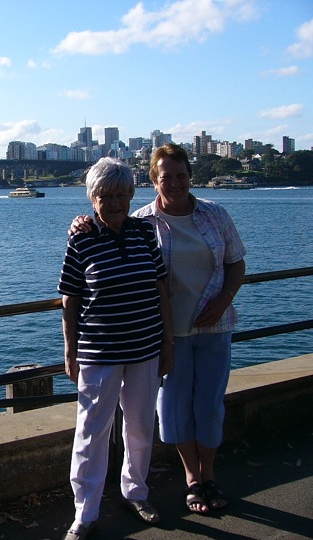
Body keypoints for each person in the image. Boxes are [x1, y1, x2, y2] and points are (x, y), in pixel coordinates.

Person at [69, 143, 246, 516]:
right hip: (138, 341)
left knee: (193, 410)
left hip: (191, 333)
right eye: (166, 176)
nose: (175, 182)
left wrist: (223, 300)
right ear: (154, 181)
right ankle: (93, 508)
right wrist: (69, 352)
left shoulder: (206, 217)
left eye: (181, 175)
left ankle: (188, 479)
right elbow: (73, 295)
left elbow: (231, 265)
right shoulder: (131, 225)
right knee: (157, 412)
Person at [59, 157, 173, 540]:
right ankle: (85, 512)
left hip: (145, 346)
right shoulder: (81, 237)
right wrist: (70, 351)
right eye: (107, 195)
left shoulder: (144, 232)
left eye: (123, 194)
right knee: (91, 432)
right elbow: (70, 299)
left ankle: (135, 492)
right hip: (99, 353)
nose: (116, 203)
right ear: (92, 197)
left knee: (141, 426)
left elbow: (161, 290)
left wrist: (167, 342)